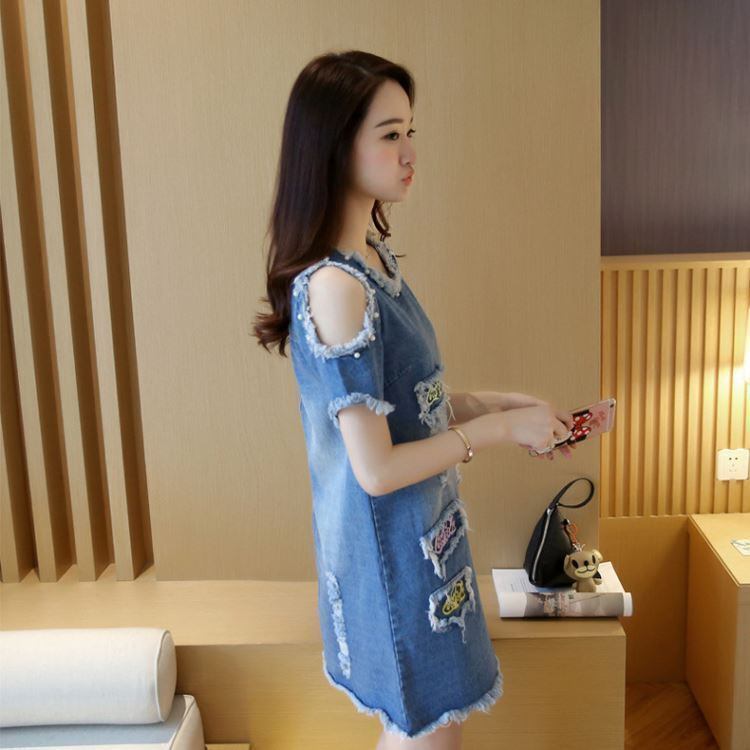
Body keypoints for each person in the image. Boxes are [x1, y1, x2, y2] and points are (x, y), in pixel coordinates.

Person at [252, 50, 576, 750]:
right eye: (390, 134)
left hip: (425, 542)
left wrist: (500, 406)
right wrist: (499, 430)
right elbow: (375, 470)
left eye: (411, 132)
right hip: (392, 564)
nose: (410, 153)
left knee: (430, 733)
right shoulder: (336, 288)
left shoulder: (371, 263)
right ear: (337, 147)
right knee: (428, 734)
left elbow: (409, 405)